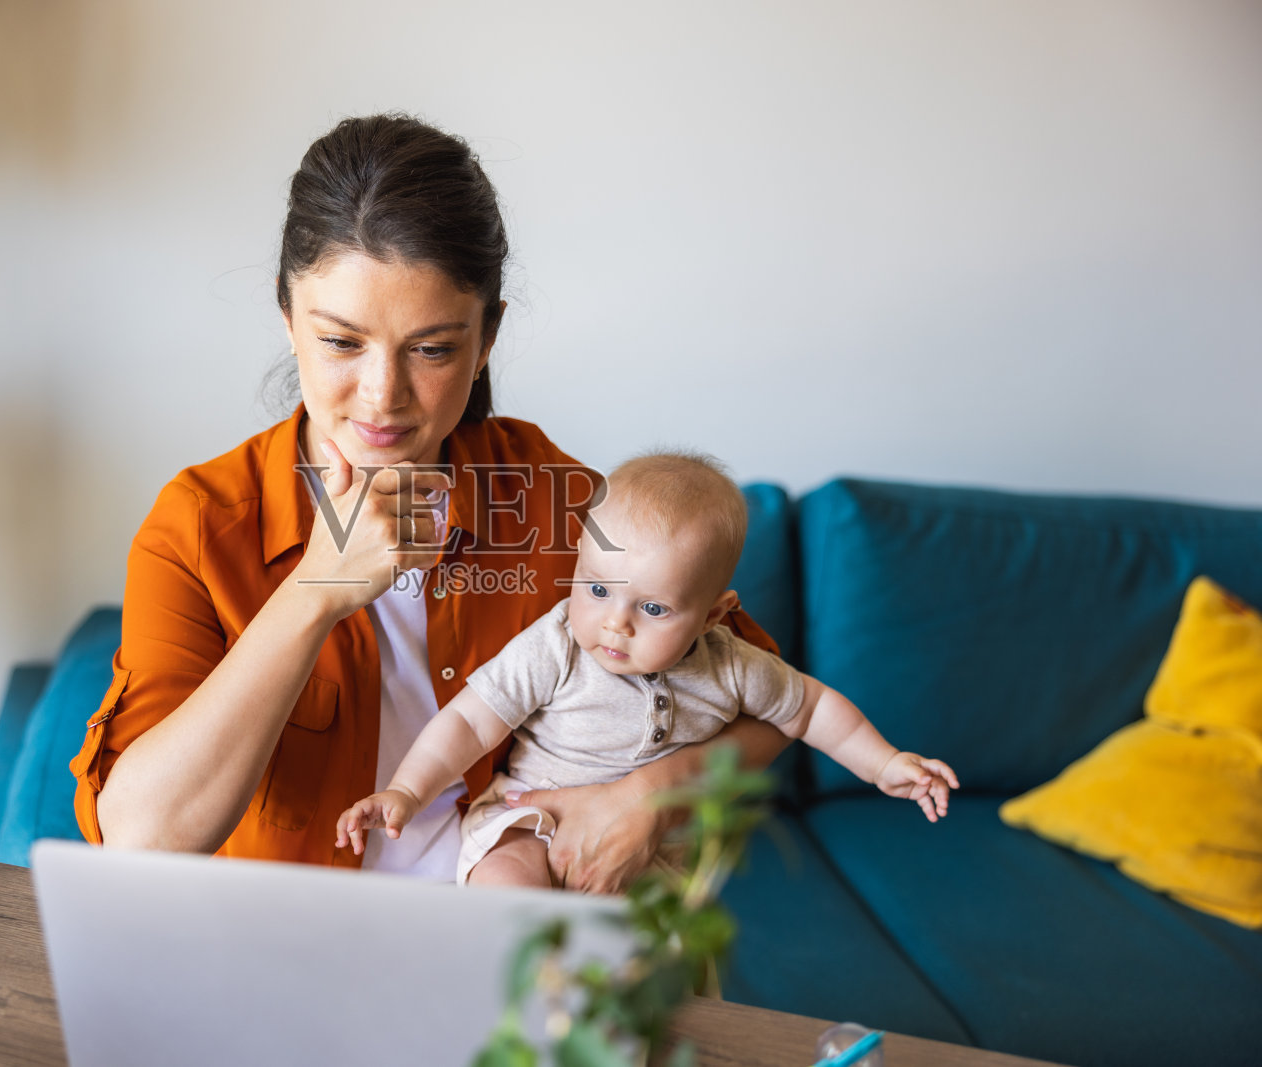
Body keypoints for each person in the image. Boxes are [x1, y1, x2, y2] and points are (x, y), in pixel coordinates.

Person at [70, 114, 792, 892]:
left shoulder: (552, 498)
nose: (383, 397)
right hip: (278, 949)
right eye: (342, 343)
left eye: (433, 349)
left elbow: (770, 710)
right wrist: (316, 592)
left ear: (487, 340)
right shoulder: (200, 523)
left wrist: (645, 798)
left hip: (508, 951)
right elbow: (140, 838)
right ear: (287, 319)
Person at [335, 453, 960, 887]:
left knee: (650, 971)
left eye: (653, 608)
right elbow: (470, 722)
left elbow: (813, 709)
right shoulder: (557, 644)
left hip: (653, 857)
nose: (615, 624)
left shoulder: (732, 668)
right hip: (527, 822)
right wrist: (407, 791)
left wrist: (885, 764)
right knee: (507, 888)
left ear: (715, 615)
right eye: (597, 590)